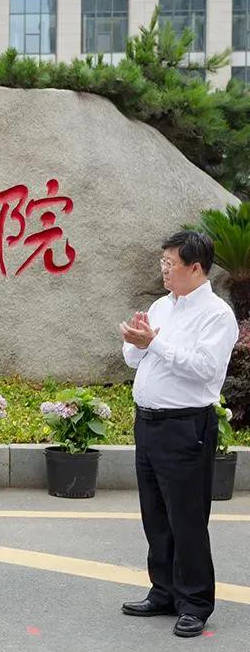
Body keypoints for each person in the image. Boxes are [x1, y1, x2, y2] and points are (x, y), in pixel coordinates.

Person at [119, 230, 239, 639]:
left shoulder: (217, 315)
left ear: (196, 267)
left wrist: (156, 343)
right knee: (155, 513)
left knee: (187, 517)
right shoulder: (160, 306)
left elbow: (205, 369)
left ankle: (195, 602)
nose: (164, 270)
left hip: (186, 425)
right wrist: (136, 343)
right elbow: (137, 359)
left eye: (170, 264)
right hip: (148, 422)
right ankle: (164, 591)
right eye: (162, 263)